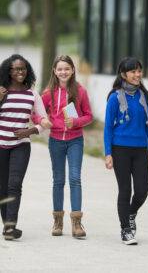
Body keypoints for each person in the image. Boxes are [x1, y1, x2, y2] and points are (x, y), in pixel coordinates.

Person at [32, 55, 93, 238]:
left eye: (67, 68)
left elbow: (89, 116)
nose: (63, 72)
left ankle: (76, 222)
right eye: (60, 69)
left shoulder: (80, 91)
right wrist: (42, 120)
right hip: (56, 141)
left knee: (75, 179)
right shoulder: (48, 93)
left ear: (73, 70)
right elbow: (35, 115)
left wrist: (75, 121)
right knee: (58, 180)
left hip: (75, 140)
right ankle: (58, 221)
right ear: (54, 71)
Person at [104, 57, 148, 245]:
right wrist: (108, 153)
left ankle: (131, 213)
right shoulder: (114, 98)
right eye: (133, 71)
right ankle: (126, 230)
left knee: (142, 192)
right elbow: (108, 128)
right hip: (120, 150)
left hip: (141, 150)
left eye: (139, 71)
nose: (137, 75)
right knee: (125, 190)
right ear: (123, 75)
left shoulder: (146, 98)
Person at [0, 54, 52, 240]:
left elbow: (45, 123)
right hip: (1, 145)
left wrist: (29, 131)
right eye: (16, 69)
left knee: (14, 185)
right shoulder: (2, 91)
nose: (20, 72)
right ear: (9, 71)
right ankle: (7, 224)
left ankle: (10, 227)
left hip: (21, 146)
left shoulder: (32, 94)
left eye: (23, 68)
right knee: (2, 188)